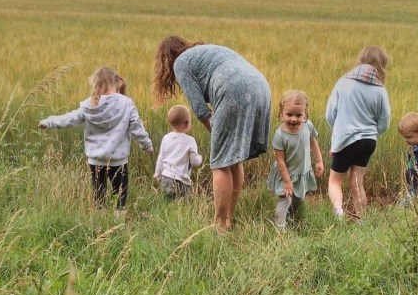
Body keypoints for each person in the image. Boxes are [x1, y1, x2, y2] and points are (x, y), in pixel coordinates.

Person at [153, 35, 271, 233]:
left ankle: (219, 226)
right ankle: (229, 219)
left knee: (221, 164)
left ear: (166, 59)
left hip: (234, 91)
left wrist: (215, 132)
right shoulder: (209, 51)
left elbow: (200, 109)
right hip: (261, 87)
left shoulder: (180, 63)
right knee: (233, 160)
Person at [39, 66, 153, 210]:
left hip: (96, 160)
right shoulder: (126, 103)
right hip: (118, 160)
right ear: (115, 82)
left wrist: (48, 122)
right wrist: (146, 146)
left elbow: (69, 119)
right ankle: (117, 222)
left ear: (96, 84)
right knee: (120, 192)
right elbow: (137, 128)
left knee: (99, 192)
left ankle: (100, 219)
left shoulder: (88, 105)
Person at [325, 46, 391, 220]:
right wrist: (370, 132)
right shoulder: (380, 89)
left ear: (360, 59)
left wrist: (340, 129)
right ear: (382, 65)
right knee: (357, 182)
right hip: (368, 141)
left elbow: (330, 114)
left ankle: (339, 213)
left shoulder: (344, 82)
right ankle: (361, 220)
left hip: (346, 139)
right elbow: (384, 122)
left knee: (335, 181)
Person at [267, 90, 324, 228]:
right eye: (289, 114)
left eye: (298, 115)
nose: (293, 119)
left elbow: (313, 142)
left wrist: (319, 161)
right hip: (285, 173)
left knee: (299, 198)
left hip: (302, 171)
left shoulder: (307, 126)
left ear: (306, 115)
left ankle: (291, 218)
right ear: (281, 114)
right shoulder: (280, 135)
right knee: (285, 199)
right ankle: (279, 227)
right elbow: (280, 161)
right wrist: (287, 182)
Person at [154, 104, 203, 200]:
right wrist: (200, 158)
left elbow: (161, 157)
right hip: (181, 180)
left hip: (166, 177)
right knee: (182, 203)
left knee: (167, 203)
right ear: (187, 123)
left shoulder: (166, 138)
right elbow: (195, 162)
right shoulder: (190, 140)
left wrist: (157, 173)